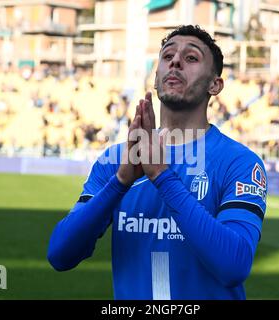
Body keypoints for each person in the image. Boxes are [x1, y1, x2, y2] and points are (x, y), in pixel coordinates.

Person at [47, 25, 267, 300]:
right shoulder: (116, 161)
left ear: (215, 84)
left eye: (191, 58)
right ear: (156, 78)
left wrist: (162, 176)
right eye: (168, 56)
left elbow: (233, 266)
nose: (175, 61)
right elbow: (60, 255)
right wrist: (119, 183)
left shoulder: (240, 162)